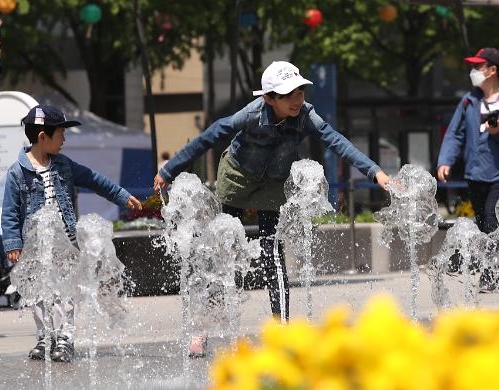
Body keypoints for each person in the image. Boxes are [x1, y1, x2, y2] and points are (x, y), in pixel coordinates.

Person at [153, 60, 390, 356]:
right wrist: (168, 171)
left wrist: (375, 172)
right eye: (288, 94)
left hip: (274, 183)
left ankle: (282, 330)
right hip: (237, 178)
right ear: (268, 97)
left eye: (300, 91)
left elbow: (338, 142)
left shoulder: (306, 116)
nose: (296, 99)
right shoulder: (251, 113)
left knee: (273, 254)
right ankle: (202, 329)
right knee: (221, 252)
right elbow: (209, 136)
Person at [1, 104, 143, 362]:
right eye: (61, 134)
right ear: (43, 137)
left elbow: (94, 179)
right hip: (35, 246)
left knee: (65, 292)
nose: (64, 140)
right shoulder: (16, 173)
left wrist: (122, 196)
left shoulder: (64, 166)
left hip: (65, 242)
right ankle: (45, 337)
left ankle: (65, 338)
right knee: (39, 294)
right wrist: (13, 243)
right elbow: (10, 212)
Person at [436, 48, 499, 291]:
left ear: (492, 70)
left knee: (494, 221)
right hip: (475, 173)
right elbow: (455, 133)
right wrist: (445, 160)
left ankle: (496, 273)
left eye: (478, 66)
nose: (473, 71)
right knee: (483, 224)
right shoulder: (469, 101)